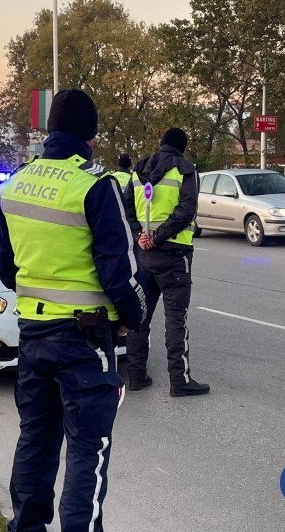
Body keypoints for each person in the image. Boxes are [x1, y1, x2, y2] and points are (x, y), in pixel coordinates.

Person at [0, 89, 145, 532]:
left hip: (33, 335)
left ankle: (26, 526)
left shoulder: (15, 183)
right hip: (84, 340)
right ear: (92, 135)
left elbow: (7, 269)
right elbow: (120, 271)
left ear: (49, 130)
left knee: (36, 442)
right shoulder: (95, 185)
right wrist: (132, 319)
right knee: (88, 451)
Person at [123, 127, 210, 397]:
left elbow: (126, 208)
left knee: (140, 318)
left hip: (144, 256)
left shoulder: (138, 170)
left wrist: (141, 235)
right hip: (174, 256)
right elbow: (186, 211)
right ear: (181, 147)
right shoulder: (185, 169)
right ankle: (179, 381)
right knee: (176, 319)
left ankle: (136, 376)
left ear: (161, 144)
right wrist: (159, 237)